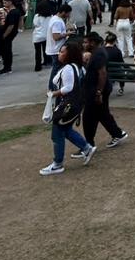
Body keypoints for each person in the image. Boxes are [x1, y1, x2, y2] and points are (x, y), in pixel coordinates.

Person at [41, 41, 94, 175]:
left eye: (62, 51)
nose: (59, 54)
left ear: (69, 54)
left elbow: (68, 88)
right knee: (65, 130)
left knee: (57, 133)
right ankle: (86, 147)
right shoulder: (78, 67)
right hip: (75, 104)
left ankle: (58, 164)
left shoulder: (69, 68)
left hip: (67, 105)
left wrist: (53, 93)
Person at [81, 35, 128, 151]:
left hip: (96, 90)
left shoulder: (98, 54)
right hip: (97, 89)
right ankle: (117, 133)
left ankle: (89, 144)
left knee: (89, 116)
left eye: (85, 42)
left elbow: (102, 73)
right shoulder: (97, 53)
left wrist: (98, 92)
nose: (83, 44)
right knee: (102, 114)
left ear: (92, 43)